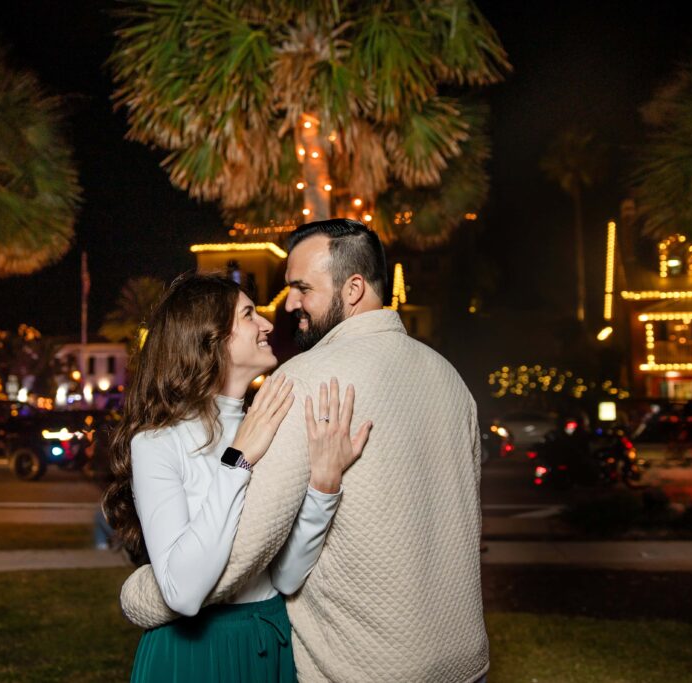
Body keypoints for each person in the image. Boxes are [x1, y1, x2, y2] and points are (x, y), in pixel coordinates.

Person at [120, 219, 489, 683]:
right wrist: (265, 468)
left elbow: (265, 562)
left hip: (323, 656)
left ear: (352, 288)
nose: (282, 309)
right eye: (250, 314)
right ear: (207, 339)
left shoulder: (297, 386)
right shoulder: (451, 379)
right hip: (460, 660)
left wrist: (140, 595)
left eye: (301, 288)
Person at [102, 273, 370, 682]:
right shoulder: (158, 443)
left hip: (268, 639)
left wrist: (323, 486)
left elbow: (287, 575)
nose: (266, 323)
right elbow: (183, 591)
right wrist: (238, 459)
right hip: (194, 656)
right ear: (209, 339)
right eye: (248, 315)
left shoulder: (272, 427)